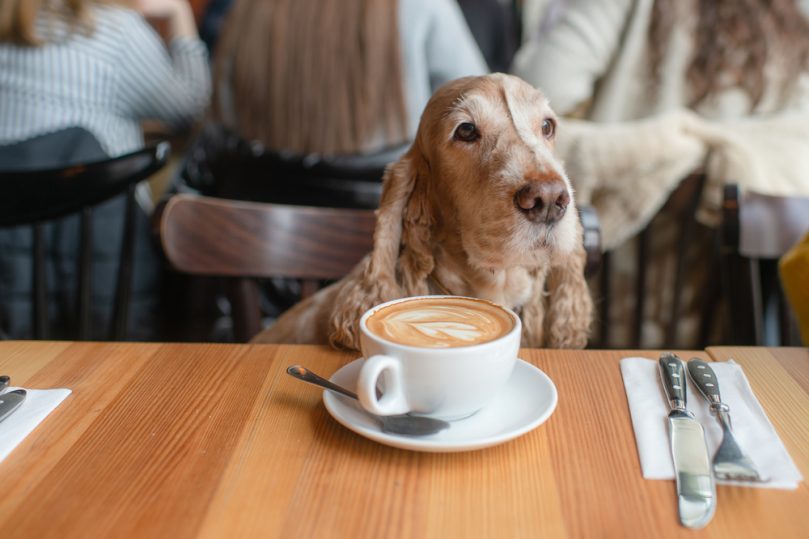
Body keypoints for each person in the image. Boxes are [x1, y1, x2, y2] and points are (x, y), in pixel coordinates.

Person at [512, 0, 809, 347]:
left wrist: (664, 146)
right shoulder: (789, 16)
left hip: (600, 308)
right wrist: (712, 148)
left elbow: (532, 96)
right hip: (728, 334)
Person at [0, 0, 211, 339]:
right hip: (104, 289)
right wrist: (178, 14)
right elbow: (189, 107)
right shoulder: (115, 32)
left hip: (10, 298)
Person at [210, 0, 488, 170]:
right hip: (388, 230)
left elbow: (221, 114)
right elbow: (486, 115)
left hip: (256, 227)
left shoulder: (247, 9)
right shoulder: (422, 6)